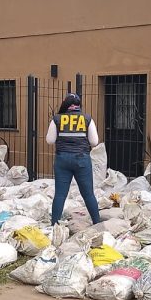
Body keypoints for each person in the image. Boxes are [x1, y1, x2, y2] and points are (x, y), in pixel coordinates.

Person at [45, 93, 101, 226]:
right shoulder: (87, 118)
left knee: (60, 194)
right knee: (88, 194)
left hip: (62, 159)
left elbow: (49, 140)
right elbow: (94, 142)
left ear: (65, 104)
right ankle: (97, 223)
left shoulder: (57, 119)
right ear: (79, 104)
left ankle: (54, 225)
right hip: (82, 159)